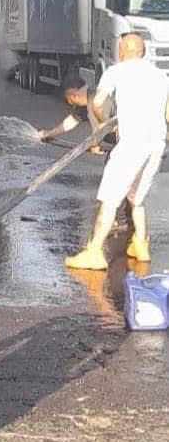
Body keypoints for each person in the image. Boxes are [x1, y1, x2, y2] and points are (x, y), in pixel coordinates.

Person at [66, 33, 169, 270]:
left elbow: (98, 102)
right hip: (156, 143)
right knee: (137, 198)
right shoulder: (161, 76)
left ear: (123, 50)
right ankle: (140, 245)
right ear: (142, 51)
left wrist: (103, 125)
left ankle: (94, 252)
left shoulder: (116, 71)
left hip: (131, 143)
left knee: (110, 198)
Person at [38, 81, 105, 154]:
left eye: (70, 101)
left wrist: (96, 144)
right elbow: (73, 120)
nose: (72, 104)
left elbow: (99, 126)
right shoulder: (85, 101)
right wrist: (50, 133)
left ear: (73, 96)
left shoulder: (96, 97)